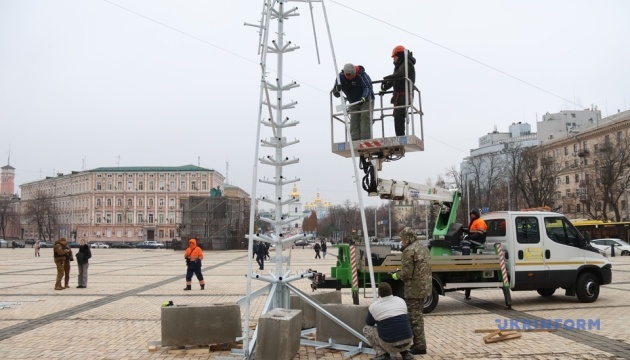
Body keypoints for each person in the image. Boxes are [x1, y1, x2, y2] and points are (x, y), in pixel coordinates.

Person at [392, 227, 431, 355]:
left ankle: (420, 346)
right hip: (424, 287)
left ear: (408, 238)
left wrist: (396, 275)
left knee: (415, 318)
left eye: (403, 239)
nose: (402, 242)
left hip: (413, 289)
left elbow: (407, 274)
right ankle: (419, 343)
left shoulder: (409, 251)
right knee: (418, 315)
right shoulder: (422, 247)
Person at [363, 282, 414, 360]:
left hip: (390, 345)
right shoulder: (401, 301)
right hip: (408, 342)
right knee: (402, 324)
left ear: (379, 293)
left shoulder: (374, 306)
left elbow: (369, 323)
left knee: (367, 329)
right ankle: (406, 353)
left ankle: (382, 354)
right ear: (391, 291)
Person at [380, 45, 416, 136]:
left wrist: (387, 78)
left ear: (399, 55)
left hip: (405, 94)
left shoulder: (407, 63)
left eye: (394, 57)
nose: (393, 59)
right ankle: (400, 135)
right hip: (400, 95)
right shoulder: (400, 65)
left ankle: (400, 136)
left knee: (399, 115)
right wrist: (384, 88)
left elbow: (400, 74)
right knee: (398, 115)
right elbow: (395, 79)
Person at [332, 63, 375, 141]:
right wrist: (337, 90)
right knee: (354, 119)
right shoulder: (340, 77)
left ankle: (366, 139)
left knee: (365, 116)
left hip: (365, 100)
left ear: (355, 72)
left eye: (351, 75)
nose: (349, 77)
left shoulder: (362, 75)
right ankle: (355, 139)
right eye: (347, 75)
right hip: (353, 101)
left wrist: (364, 97)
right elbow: (335, 93)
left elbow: (368, 87)